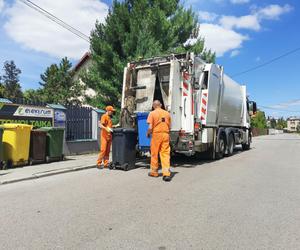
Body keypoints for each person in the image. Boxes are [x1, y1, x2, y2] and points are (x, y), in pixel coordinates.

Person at [147, 100, 172, 182]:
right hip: (165, 134)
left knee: (154, 153)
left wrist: (148, 133)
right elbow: (170, 127)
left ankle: (154, 172)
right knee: (165, 154)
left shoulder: (152, 113)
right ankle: (166, 174)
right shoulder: (167, 114)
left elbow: (150, 127)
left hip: (156, 134)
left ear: (153, 106)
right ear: (160, 105)